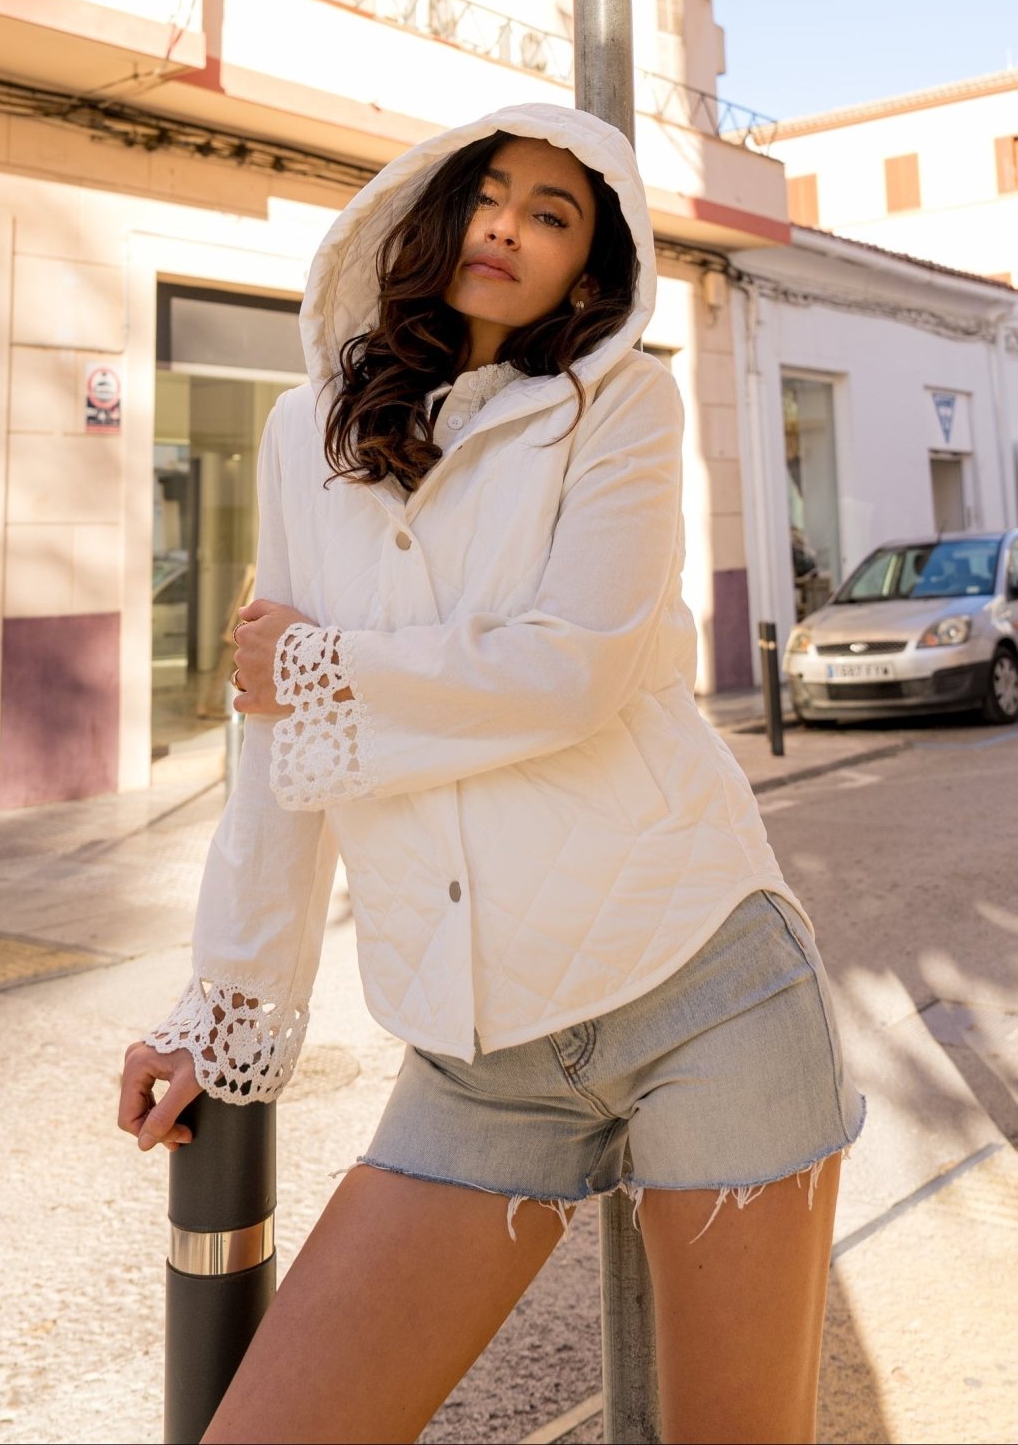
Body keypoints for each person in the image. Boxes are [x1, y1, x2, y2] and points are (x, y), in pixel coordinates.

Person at [119, 103, 865, 1444]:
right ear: (433, 214)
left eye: (552, 213)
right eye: (488, 195)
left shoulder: (620, 407)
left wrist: (319, 664)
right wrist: (222, 1013)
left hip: (705, 990)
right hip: (474, 1056)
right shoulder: (305, 436)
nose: (506, 226)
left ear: (589, 272)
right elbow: (279, 763)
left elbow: (569, 669)